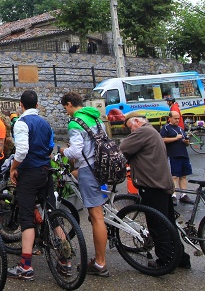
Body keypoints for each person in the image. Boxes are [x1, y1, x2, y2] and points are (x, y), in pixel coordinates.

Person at [119, 112, 191, 270]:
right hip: (163, 184)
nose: (131, 131)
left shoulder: (142, 132)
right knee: (169, 223)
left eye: (130, 127)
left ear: (137, 121)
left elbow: (122, 149)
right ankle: (181, 258)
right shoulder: (153, 131)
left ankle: (165, 261)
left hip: (152, 185)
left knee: (157, 225)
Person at [59, 92, 110, 277]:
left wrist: (63, 150)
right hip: (102, 166)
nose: (66, 113)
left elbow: (76, 152)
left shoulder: (75, 122)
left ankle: (100, 263)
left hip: (89, 170)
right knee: (98, 214)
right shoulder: (96, 119)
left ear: (70, 104)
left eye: (66, 108)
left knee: (96, 217)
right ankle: (100, 258)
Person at [6, 90, 55, 280]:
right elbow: (50, 146)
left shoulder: (21, 123)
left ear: (21, 104)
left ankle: (25, 266)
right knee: (52, 212)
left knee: (26, 217)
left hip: (29, 173)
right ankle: (65, 258)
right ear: (37, 104)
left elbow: (22, 151)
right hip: (46, 170)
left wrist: (13, 167)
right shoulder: (45, 123)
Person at [160, 111, 193, 205]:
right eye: (175, 118)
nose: (177, 120)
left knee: (183, 175)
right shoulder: (165, 128)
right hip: (173, 154)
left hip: (183, 154)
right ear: (169, 118)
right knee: (174, 176)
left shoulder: (180, 128)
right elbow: (162, 139)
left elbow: (186, 141)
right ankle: (173, 195)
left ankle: (183, 194)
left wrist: (186, 142)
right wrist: (175, 138)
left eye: (178, 118)